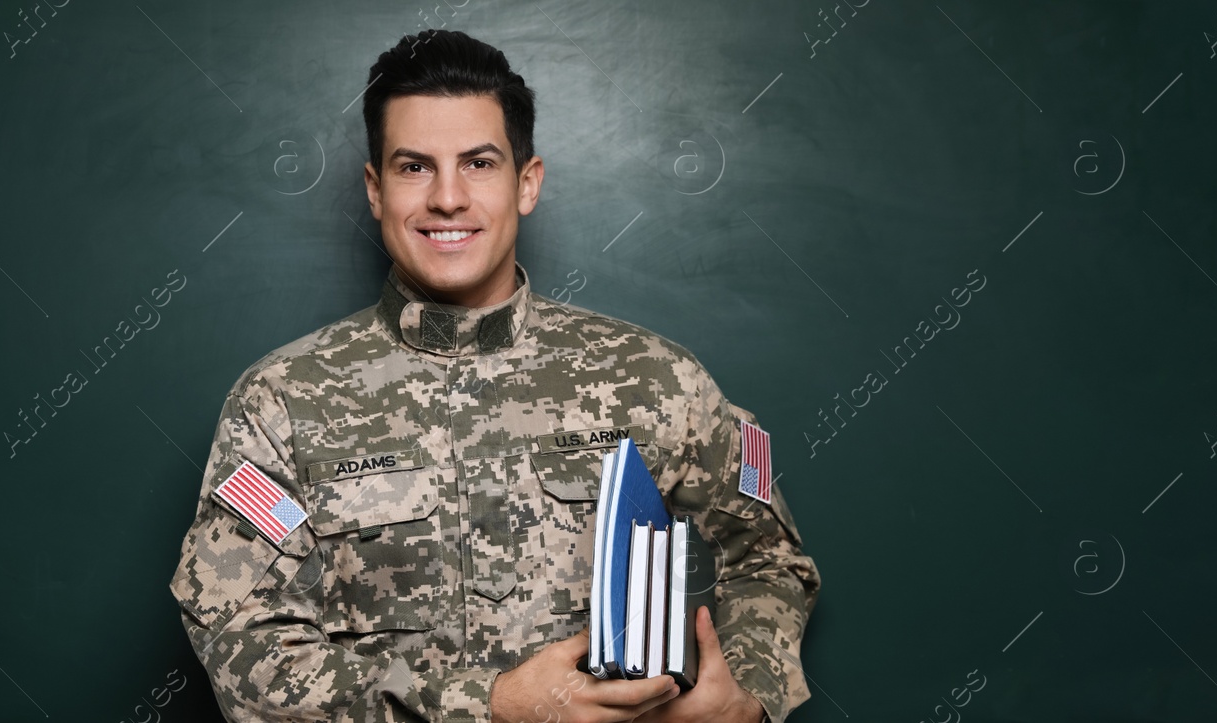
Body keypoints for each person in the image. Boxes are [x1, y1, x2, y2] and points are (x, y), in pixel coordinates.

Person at [169, 29, 820, 723]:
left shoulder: (659, 379)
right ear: (374, 189)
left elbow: (768, 558)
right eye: (414, 167)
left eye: (479, 162)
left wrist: (746, 691)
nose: (448, 198)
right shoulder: (278, 405)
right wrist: (489, 705)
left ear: (527, 182)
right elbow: (243, 645)